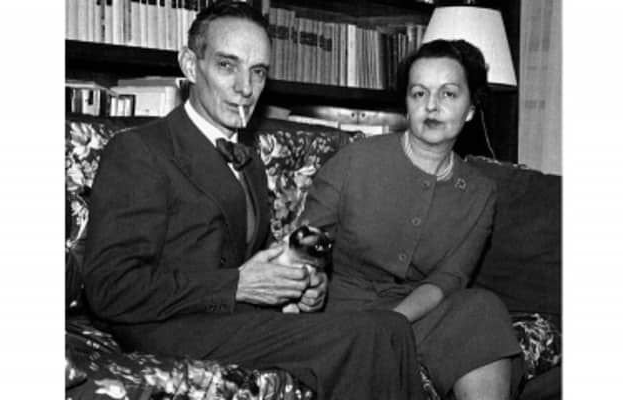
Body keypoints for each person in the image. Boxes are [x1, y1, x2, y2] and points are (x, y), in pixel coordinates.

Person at [81, 2, 425, 399]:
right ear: (190, 65)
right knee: (371, 334)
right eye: (227, 65)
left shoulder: (248, 159)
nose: (245, 87)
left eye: (258, 71)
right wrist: (238, 285)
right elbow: (110, 287)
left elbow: (243, 261)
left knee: (391, 326)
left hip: (225, 319)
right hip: (164, 327)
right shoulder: (140, 150)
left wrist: (295, 286)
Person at [300, 39, 524, 400]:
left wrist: (394, 321)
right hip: (340, 310)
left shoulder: (480, 192)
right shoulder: (355, 161)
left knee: (482, 308)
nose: (431, 106)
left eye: (448, 94)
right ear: (406, 105)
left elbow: (449, 278)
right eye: (419, 93)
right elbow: (306, 242)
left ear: (470, 109)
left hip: (419, 314)